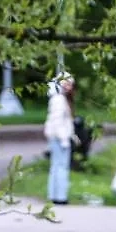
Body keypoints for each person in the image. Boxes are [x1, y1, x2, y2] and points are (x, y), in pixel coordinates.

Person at [43, 72, 75, 204]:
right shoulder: (59, 100)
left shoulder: (58, 98)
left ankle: (54, 195)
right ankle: (60, 196)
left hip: (57, 137)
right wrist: (64, 139)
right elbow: (57, 122)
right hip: (59, 138)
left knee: (56, 166)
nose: (70, 87)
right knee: (61, 166)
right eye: (67, 84)